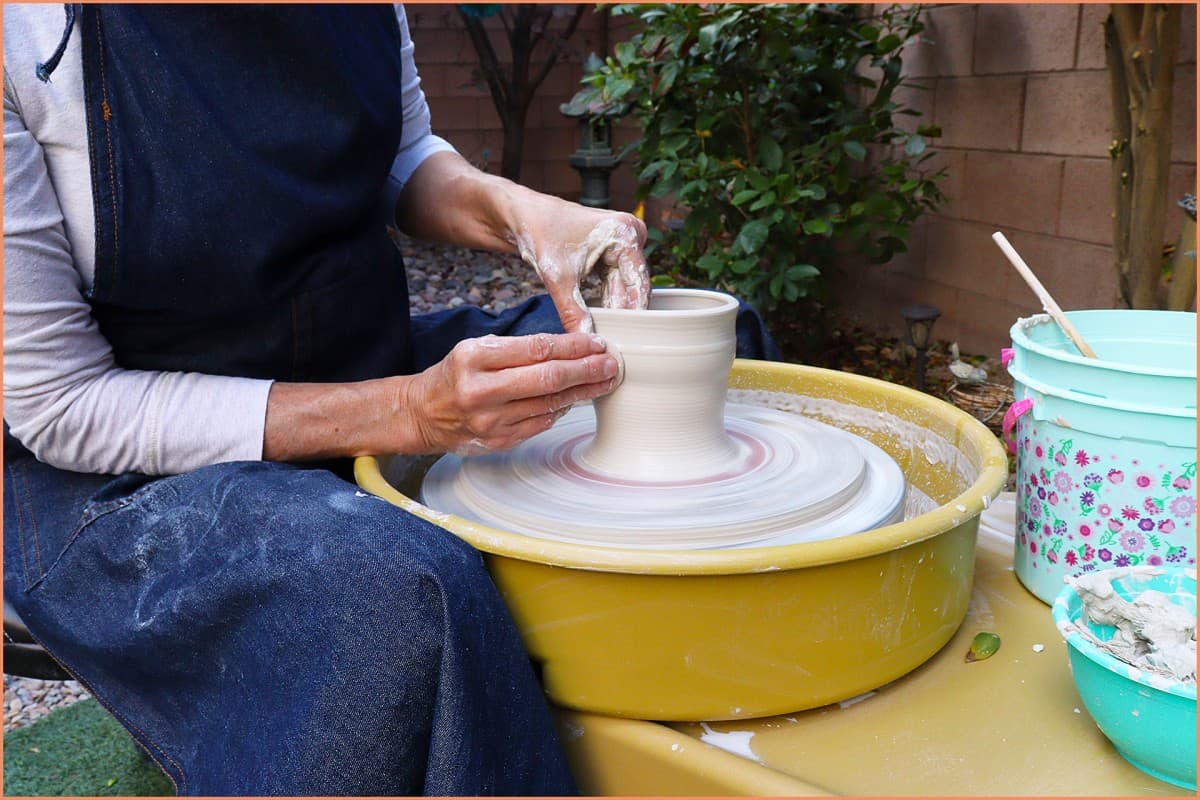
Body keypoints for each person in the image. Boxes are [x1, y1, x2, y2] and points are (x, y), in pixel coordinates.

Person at [3, 4, 780, 795]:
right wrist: (410, 411)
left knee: (712, 346)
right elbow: (63, 405)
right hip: (125, 465)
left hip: (356, 354)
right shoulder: (21, 36)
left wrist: (522, 215)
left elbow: (401, 161)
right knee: (396, 593)